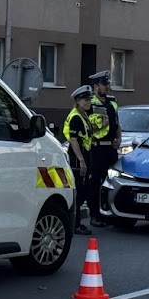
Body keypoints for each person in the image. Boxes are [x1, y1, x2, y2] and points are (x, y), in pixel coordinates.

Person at [87, 69, 121, 226]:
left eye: (108, 83)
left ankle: (107, 213)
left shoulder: (112, 101)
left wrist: (119, 139)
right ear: (95, 86)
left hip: (110, 149)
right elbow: (87, 127)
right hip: (96, 149)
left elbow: (117, 124)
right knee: (94, 183)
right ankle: (94, 215)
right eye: (104, 84)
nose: (107, 87)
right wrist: (101, 125)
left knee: (110, 182)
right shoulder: (89, 103)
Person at [64, 85, 97, 235]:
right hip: (78, 158)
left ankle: (76, 223)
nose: (88, 102)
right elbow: (74, 140)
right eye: (85, 100)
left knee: (85, 189)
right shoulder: (76, 117)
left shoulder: (83, 115)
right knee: (80, 191)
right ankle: (75, 224)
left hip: (85, 155)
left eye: (89, 99)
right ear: (77, 101)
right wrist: (81, 161)